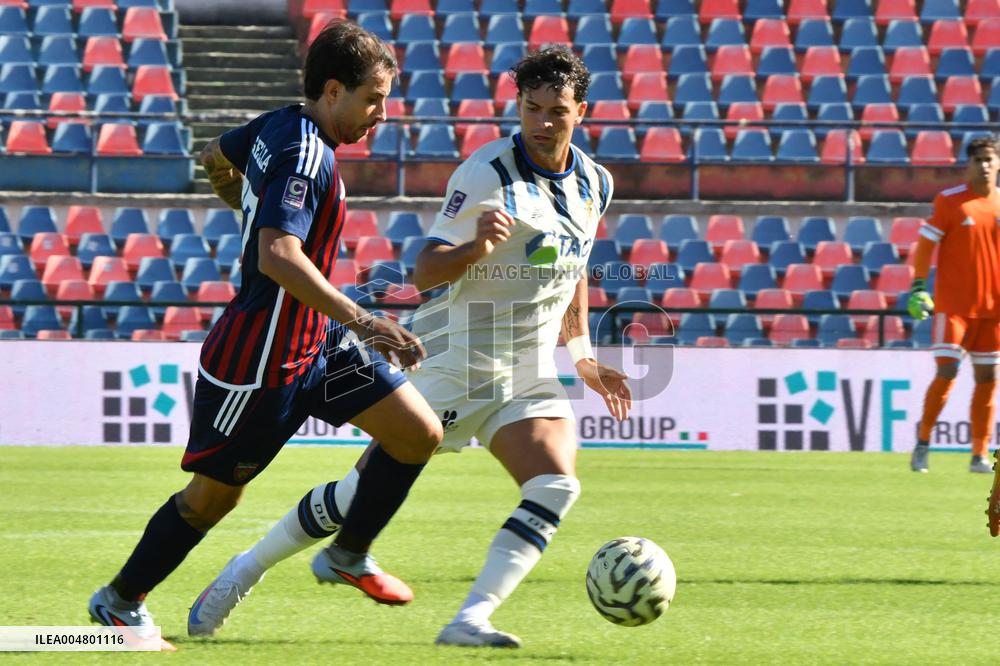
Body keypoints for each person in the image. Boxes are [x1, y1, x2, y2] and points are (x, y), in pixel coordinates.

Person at [188, 46, 633, 648]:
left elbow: (573, 264)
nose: (542, 122)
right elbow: (424, 271)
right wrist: (475, 248)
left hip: (526, 371)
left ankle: (470, 619)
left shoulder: (594, 182)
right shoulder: (487, 173)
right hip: (453, 360)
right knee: (354, 496)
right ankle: (245, 569)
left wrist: (580, 353)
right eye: (531, 108)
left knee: (556, 484)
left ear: (582, 110)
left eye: (557, 110)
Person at [88, 19, 444, 642]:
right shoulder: (305, 151)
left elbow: (213, 159)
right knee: (212, 500)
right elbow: (278, 255)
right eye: (373, 99)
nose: (380, 116)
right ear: (332, 90)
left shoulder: (276, 124)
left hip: (317, 343)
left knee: (417, 433)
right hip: (260, 360)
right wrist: (365, 319)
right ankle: (119, 601)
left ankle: (345, 553)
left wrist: (245, 203)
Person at [909, 135, 1000, 475]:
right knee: (947, 371)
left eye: (990, 159)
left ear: (999, 163)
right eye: (978, 160)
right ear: (969, 165)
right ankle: (922, 442)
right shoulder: (950, 202)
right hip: (954, 308)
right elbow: (924, 245)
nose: (985, 165)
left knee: (987, 378)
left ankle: (979, 454)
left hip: (993, 312)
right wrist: (919, 286)